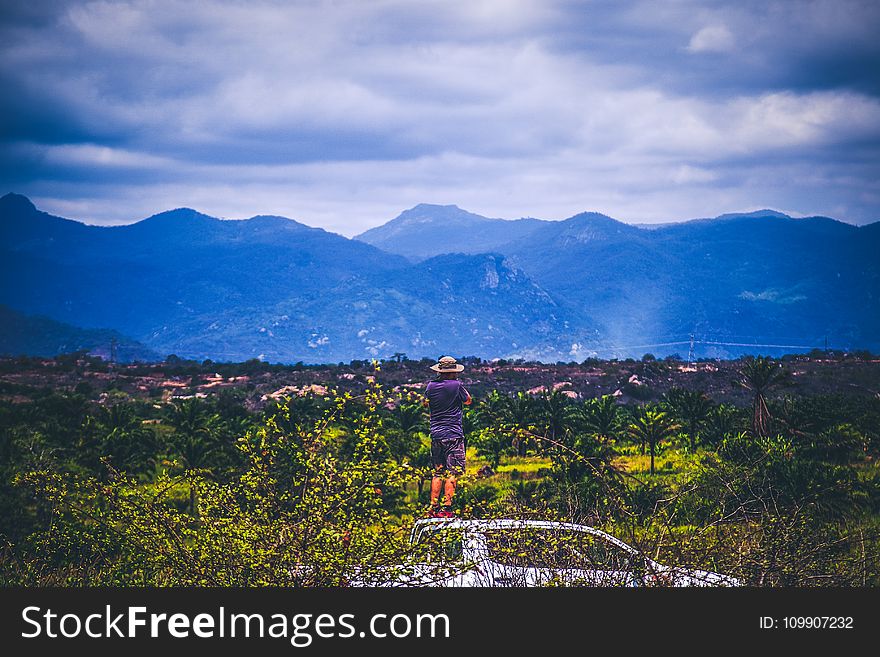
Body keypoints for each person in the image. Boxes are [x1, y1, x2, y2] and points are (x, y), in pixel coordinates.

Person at [423, 356, 472, 518]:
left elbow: (425, 402)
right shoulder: (457, 386)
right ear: (452, 372)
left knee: (438, 472)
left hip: (436, 435)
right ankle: (447, 507)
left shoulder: (430, 386)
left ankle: (433, 507)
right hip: (453, 434)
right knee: (453, 472)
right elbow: (468, 401)